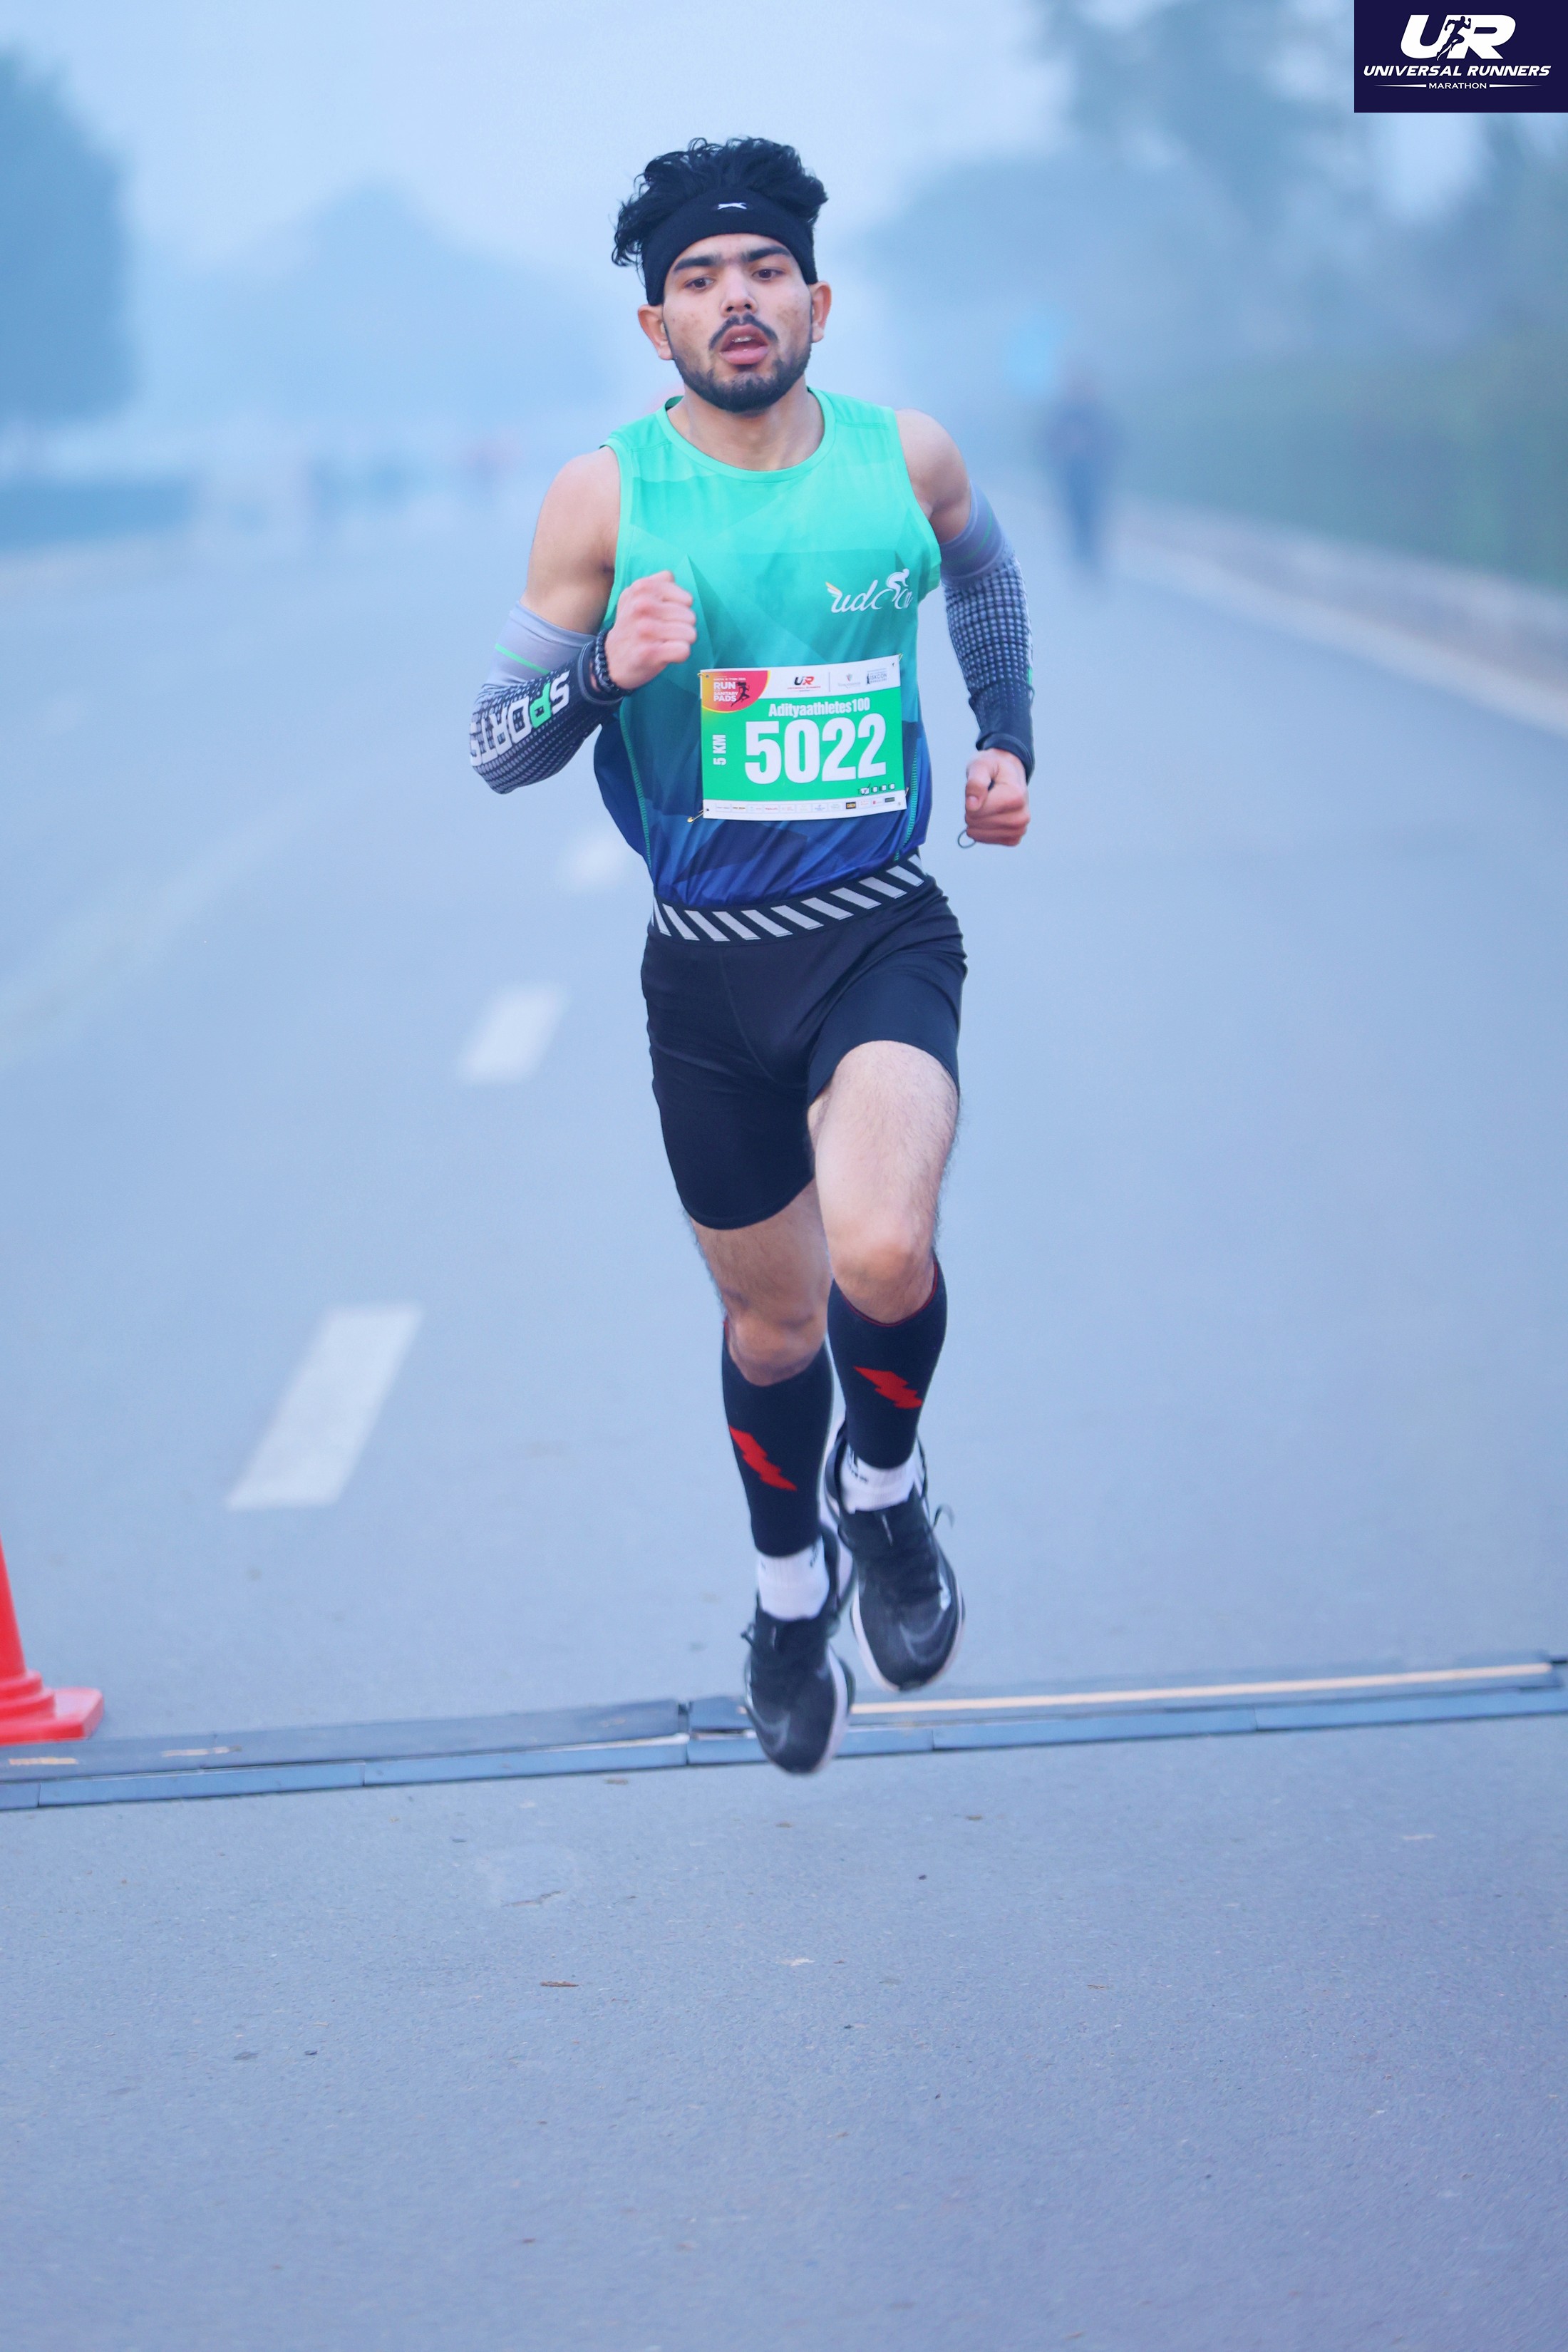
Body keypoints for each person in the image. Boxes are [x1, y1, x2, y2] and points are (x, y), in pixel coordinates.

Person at [468, 137, 1033, 1775]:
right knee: (777, 1331)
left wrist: (1006, 741)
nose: (735, 300)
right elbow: (493, 746)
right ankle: (790, 1602)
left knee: (881, 1247)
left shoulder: (902, 456)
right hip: (707, 975)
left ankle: (884, 1497)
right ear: (655, 327)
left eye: (763, 271)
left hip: (876, 929)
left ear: (816, 302)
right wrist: (602, 672)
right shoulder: (603, 497)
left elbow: (983, 577)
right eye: (698, 280)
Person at [1042, 368, 1120, 573]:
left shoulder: (1098, 413)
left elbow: (1113, 441)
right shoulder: (1064, 413)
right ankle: (1080, 549)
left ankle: (1091, 550)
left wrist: (1100, 457)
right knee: (1073, 510)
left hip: (1093, 473)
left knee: (1093, 511)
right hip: (1070, 472)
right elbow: (1050, 440)